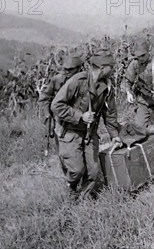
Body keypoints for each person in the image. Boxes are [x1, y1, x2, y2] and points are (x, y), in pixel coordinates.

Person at [51, 50, 122, 201]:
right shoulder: (78, 80)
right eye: (111, 66)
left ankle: (82, 200)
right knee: (77, 170)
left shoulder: (108, 87)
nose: (114, 69)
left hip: (89, 134)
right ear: (102, 68)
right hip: (70, 132)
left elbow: (110, 114)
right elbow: (56, 105)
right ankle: (71, 187)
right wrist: (79, 116)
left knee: (93, 172)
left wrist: (115, 136)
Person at [37, 54, 83, 175]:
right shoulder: (57, 80)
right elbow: (45, 97)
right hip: (61, 123)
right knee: (64, 155)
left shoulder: (84, 80)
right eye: (65, 69)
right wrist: (47, 115)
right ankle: (70, 180)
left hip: (79, 121)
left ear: (79, 68)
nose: (67, 72)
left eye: (70, 69)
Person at [121, 40, 154, 127]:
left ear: (148, 52)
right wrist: (128, 92)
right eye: (138, 56)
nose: (140, 58)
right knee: (139, 128)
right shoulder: (135, 63)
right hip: (143, 101)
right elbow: (128, 80)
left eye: (143, 55)